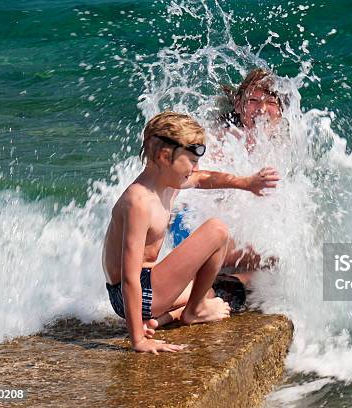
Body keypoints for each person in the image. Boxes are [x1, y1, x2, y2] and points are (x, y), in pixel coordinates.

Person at [102, 111, 280, 354]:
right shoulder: (139, 202)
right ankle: (193, 311)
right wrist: (138, 341)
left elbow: (203, 179)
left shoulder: (166, 182)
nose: (195, 168)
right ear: (165, 156)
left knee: (213, 289)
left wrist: (246, 183)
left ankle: (166, 318)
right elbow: (130, 277)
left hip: (146, 291)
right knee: (217, 230)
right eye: (191, 161)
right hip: (135, 292)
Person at [170, 68, 285, 283]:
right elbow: (187, 180)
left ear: (280, 110)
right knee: (280, 257)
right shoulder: (221, 138)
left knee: (285, 255)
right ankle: (217, 286)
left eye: (270, 101)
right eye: (253, 100)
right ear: (239, 105)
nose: (261, 109)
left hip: (220, 239)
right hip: (188, 228)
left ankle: (231, 284)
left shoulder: (283, 144)